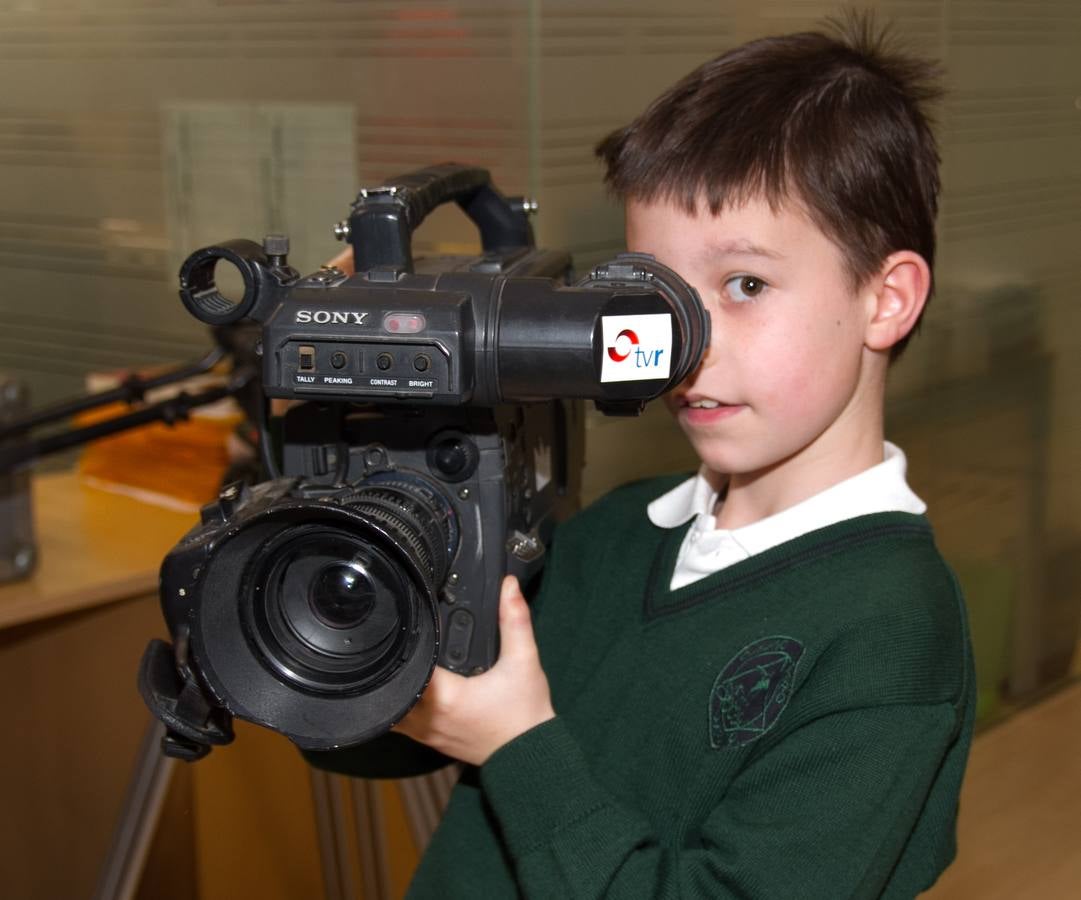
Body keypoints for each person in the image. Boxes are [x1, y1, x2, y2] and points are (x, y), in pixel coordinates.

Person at [305, 15, 976, 898]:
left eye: (744, 286)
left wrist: (517, 747)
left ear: (885, 299)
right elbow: (412, 728)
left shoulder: (889, 635)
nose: (682, 345)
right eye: (654, 294)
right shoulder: (616, 533)